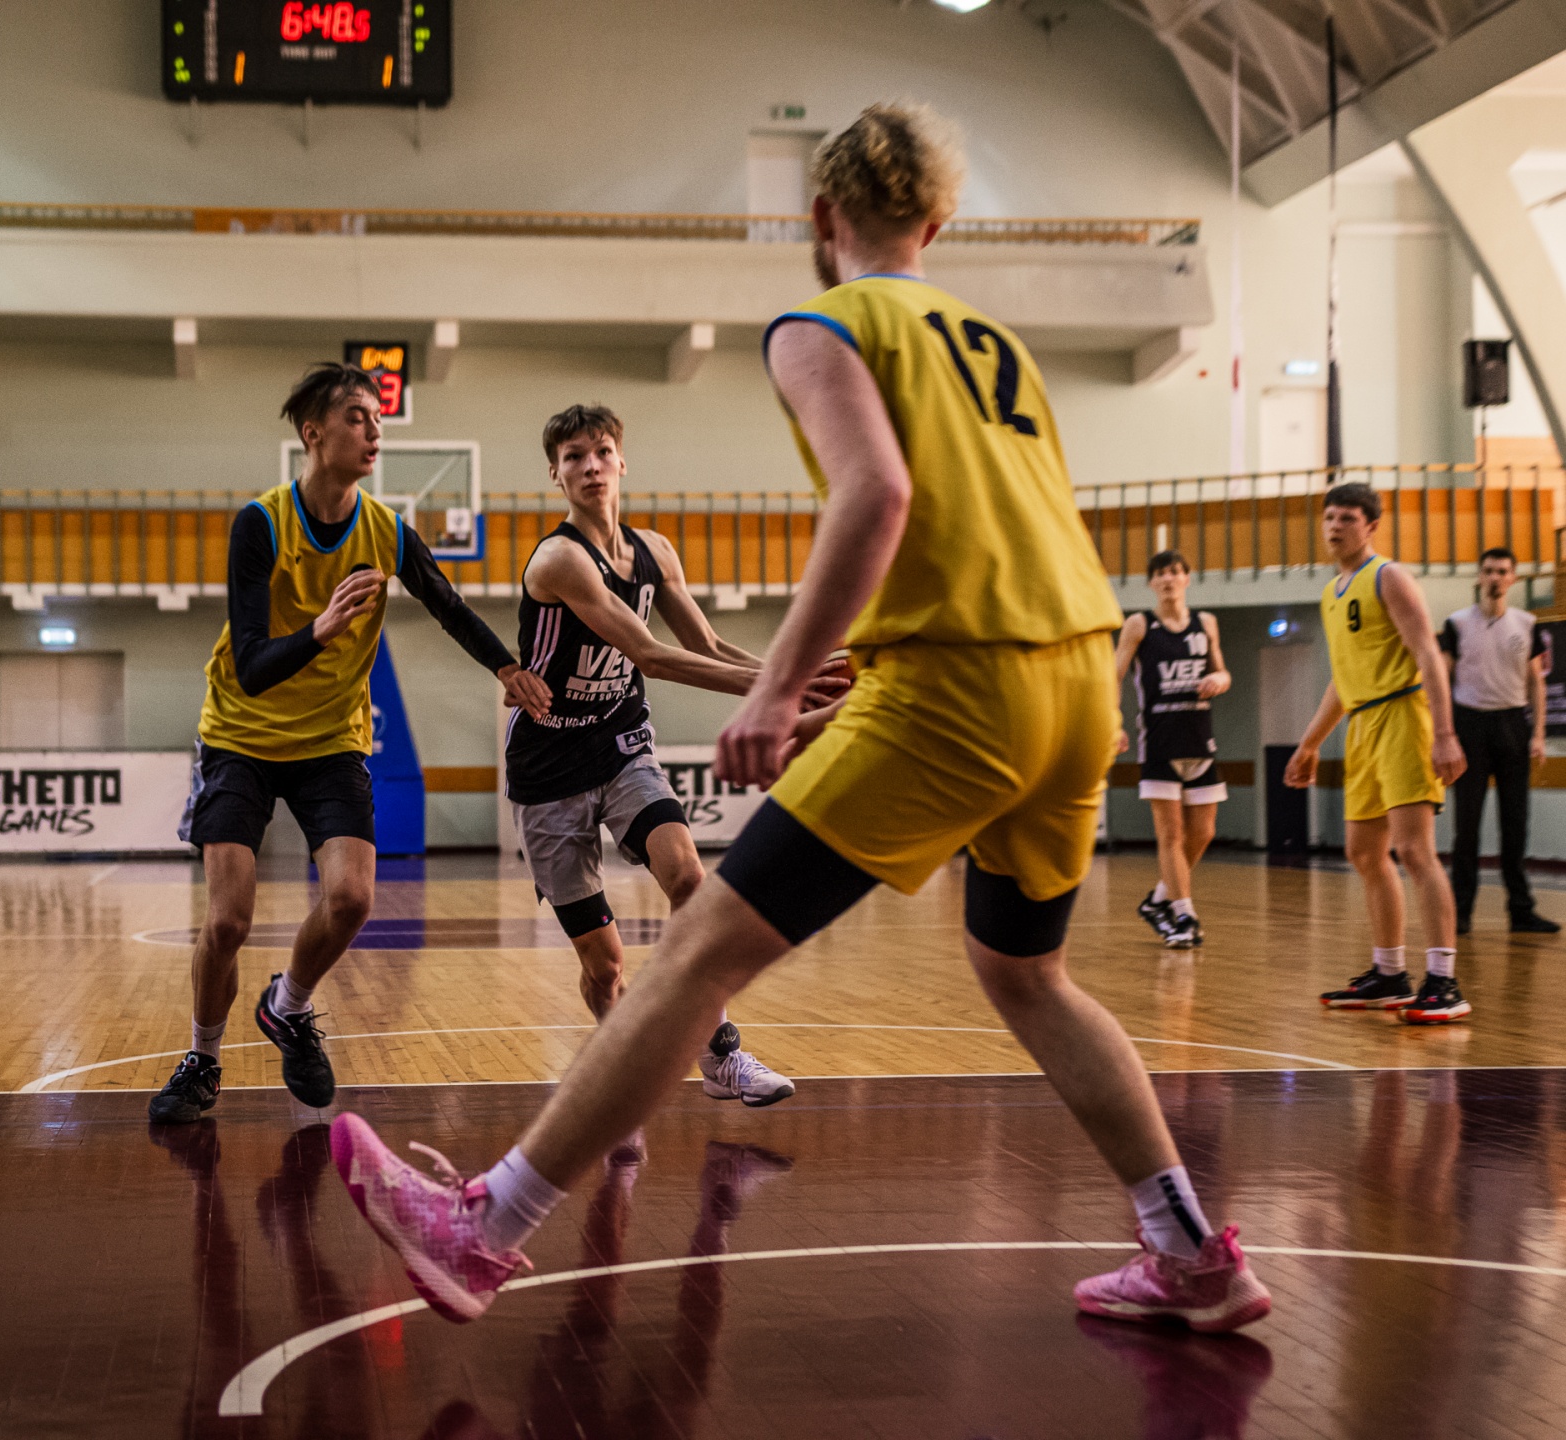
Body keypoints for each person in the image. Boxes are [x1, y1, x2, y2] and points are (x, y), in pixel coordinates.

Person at [329, 102, 1273, 1334]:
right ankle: (1191, 1250)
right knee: (1027, 972)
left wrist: (780, 687)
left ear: (821, 218)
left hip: (962, 686)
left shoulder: (821, 323)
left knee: (696, 949)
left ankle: (484, 1227)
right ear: (937, 222)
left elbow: (877, 495)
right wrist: (819, 666)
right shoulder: (995, 339)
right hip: (1079, 680)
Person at [147, 362, 550, 1125]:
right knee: (228, 922)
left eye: (377, 420)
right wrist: (322, 628)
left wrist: (506, 667)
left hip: (332, 738)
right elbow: (253, 666)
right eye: (358, 417)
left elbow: (449, 606)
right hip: (240, 733)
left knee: (354, 898)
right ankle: (202, 1059)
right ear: (314, 433)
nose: (374, 431)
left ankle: (288, 1006)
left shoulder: (386, 530)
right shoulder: (261, 523)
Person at [504, 403, 823, 1108]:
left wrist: (792, 677)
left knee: (690, 880)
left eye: (602, 451)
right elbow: (651, 655)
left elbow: (707, 645)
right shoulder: (560, 559)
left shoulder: (655, 552)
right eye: (574, 457)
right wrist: (784, 690)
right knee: (605, 965)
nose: (591, 466)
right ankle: (617, 1073)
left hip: (620, 742)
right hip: (549, 766)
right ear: (556, 475)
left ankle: (720, 1055)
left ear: (622, 461)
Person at [1285, 483, 1470, 1022]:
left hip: (1403, 716)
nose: (1334, 526)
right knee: (1364, 853)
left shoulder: (1389, 577)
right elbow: (1342, 681)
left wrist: (1444, 733)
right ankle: (1390, 974)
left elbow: (1428, 654)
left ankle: (1445, 980)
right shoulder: (1331, 592)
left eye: (1346, 518)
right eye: (1329, 517)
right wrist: (1309, 743)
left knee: (1414, 850)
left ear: (1370, 526)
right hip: (1362, 724)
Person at [1114, 551, 1231, 950]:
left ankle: (1159, 900)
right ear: (1151, 583)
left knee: (1204, 832)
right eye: (1160, 574)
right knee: (1171, 833)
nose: (1168, 579)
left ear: (1187, 579)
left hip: (1199, 738)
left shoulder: (1206, 622)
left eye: (1175, 572)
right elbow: (1114, 674)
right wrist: (1113, 721)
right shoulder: (1139, 624)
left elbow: (1221, 670)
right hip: (1159, 742)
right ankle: (1184, 914)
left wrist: (1220, 679)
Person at [1440, 547, 1560, 934]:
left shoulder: (1526, 623)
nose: (1495, 577)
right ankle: (1460, 911)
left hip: (1512, 724)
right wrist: (1443, 733)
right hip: (1469, 726)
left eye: (1502, 571)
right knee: (1467, 826)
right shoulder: (1457, 624)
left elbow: (1536, 683)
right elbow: (1441, 679)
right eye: (1489, 570)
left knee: (1515, 823)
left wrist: (1537, 734)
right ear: (1480, 577)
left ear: (1512, 578)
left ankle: (1521, 910)